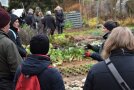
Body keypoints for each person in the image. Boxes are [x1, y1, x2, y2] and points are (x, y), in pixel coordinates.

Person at [0, 8, 22, 90]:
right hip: (5, 84)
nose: (9, 26)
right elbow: (17, 69)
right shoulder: (7, 44)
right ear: (4, 25)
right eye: (8, 24)